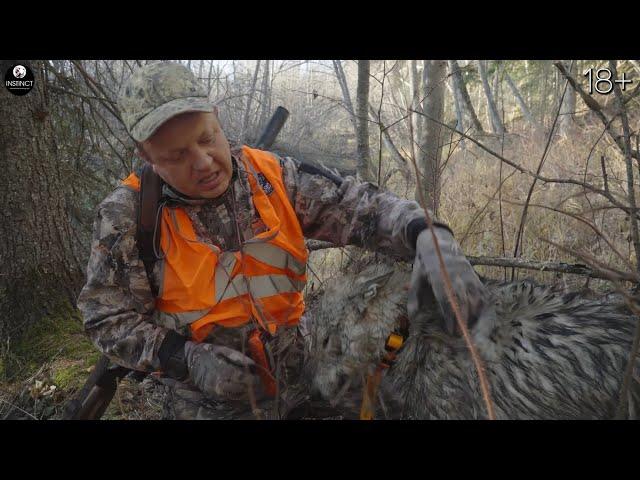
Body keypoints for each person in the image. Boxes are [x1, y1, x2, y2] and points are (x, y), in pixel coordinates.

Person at [76, 61, 487, 419]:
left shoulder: (274, 178)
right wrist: (186, 359)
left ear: (217, 118)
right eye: (176, 156)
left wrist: (428, 236)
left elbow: (361, 206)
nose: (203, 164)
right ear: (146, 156)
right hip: (209, 402)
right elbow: (105, 318)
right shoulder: (129, 216)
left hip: (303, 374)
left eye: (206, 138)